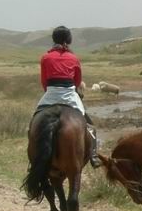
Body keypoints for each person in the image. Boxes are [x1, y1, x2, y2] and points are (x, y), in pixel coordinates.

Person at [35, 25, 100, 167]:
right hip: (70, 95)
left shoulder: (45, 57)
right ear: (68, 40)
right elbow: (77, 81)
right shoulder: (73, 58)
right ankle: (94, 155)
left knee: (34, 121)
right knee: (90, 126)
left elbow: (44, 81)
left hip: (50, 94)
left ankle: (34, 157)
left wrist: (50, 91)